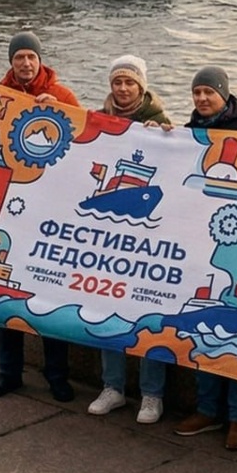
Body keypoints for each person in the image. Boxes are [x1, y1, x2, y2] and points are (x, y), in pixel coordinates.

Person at [0, 31, 79, 403]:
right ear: (11, 62)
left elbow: (88, 138)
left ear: (41, 60)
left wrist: (60, 110)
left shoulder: (63, 95)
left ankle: (56, 374)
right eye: (19, 57)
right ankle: (8, 372)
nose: (25, 63)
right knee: (3, 291)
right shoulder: (0, 94)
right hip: (11, 209)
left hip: (50, 210)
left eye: (31, 57)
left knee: (50, 293)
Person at [174, 65, 237, 451]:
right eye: (197, 93)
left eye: (209, 92)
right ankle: (207, 409)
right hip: (198, 245)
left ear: (224, 95)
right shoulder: (189, 131)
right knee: (202, 330)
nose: (202, 99)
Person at [88, 55, 171, 424]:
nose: (122, 89)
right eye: (117, 82)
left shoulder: (162, 124)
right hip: (107, 239)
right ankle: (113, 387)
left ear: (141, 86)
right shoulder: (99, 121)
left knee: (149, 312)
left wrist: (169, 137)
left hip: (146, 241)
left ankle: (152, 395)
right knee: (106, 308)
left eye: (129, 83)